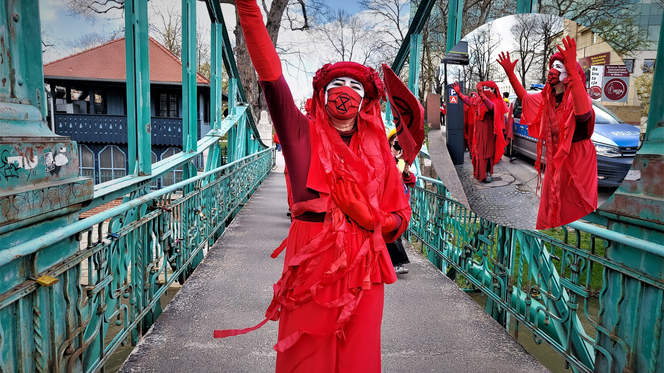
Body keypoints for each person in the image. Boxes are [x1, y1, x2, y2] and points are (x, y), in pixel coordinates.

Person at [214, 1, 413, 372]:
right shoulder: (300, 136)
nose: (345, 92)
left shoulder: (382, 154)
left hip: (364, 264)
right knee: (306, 360)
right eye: (337, 84)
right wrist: (249, 13)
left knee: (359, 358)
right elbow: (270, 78)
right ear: (322, 94)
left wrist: (368, 217)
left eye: (355, 86)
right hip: (312, 259)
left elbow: (401, 218)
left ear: (366, 100)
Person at [497, 36, 598, 229]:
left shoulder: (578, 98)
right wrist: (510, 74)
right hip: (554, 160)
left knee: (573, 206)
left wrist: (573, 73)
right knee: (551, 204)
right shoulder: (548, 99)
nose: (552, 71)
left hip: (577, 162)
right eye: (553, 66)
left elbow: (583, 114)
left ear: (569, 73)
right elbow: (525, 98)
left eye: (559, 67)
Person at [451, 81, 507, 183]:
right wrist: (459, 94)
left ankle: (488, 172)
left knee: (488, 152)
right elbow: (470, 102)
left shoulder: (496, 100)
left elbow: (491, 107)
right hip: (479, 130)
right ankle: (480, 173)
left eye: (488, 88)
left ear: (494, 89)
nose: (486, 90)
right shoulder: (480, 99)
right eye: (484, 88)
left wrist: (482, 95)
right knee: (479, 152)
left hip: (489, 131)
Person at [386, 128, 416, 275]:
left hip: (401, 202)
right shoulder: (386, 156)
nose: (398, 145)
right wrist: (395, 159)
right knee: (393, 231)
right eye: (395, 141)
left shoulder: (402, 160)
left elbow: (411, 182)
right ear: (390, 141)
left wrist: (406, 171)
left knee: (396, 231)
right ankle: (397, 263)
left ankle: (393, 262)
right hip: (389, 200)